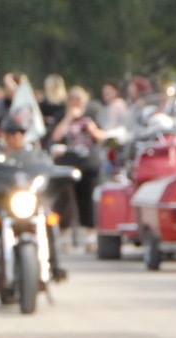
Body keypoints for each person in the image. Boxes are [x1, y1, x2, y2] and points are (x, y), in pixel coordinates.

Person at [0, 120, 67, 285]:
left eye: (20, 133)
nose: (16, 137)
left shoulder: (36, 156)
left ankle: (56, 266)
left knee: (50, 219)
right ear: (4, 136)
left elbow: (48, 171)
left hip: (29, 203)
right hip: (3, 204)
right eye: (11, 133)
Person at [48, 85, 105, 232]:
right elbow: (55, 136)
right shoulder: (61, 115)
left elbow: (101, 136)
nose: (76, 103)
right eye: (73, 100)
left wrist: (92, 128)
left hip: (87, 161)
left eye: (79, 100)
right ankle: (64, 230)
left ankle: (89, 230)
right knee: (64, 198)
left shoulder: (91, 114)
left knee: (87, 197)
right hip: (67, 162)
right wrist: (68, 118)